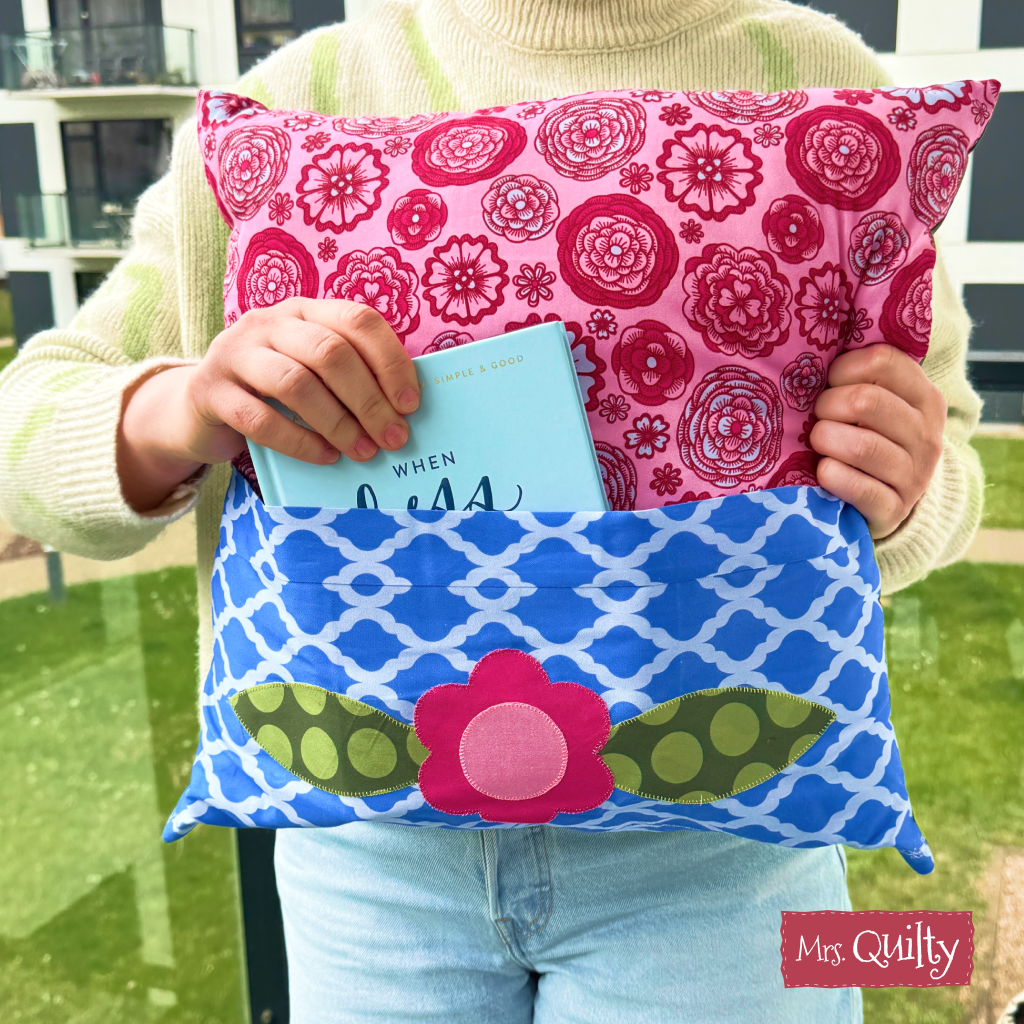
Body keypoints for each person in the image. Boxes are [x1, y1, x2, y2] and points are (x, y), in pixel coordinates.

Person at [0, 1, 981, 1021]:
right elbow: (23, 425)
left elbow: (942, 441)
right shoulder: (298, 95)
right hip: (368, 866)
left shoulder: (813, 71)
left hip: (731, 846)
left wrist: (903, 486)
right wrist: (184, 406)